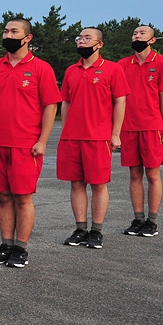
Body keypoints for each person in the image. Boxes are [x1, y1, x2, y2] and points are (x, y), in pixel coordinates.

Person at [0, 19, 61, 268]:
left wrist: (42, 140)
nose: (8, 35)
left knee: (22, 198)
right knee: (2, 197)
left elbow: (50, 106)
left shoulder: (41, 68)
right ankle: (6, 245)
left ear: (27, 38)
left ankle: (21, 248)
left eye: (14, 31)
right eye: (5, 31)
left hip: (26, 145)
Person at [58, 28, 129, 250]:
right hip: (73, 137)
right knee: (76, 183)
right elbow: (66, 102)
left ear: (99, 45)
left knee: (98, 185)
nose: (82, 41)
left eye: (87, 38)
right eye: (80, 38)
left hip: (99, 137)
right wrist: (65, 130)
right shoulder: (71, 70)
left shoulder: (112, 69)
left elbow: (120, 101)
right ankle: (80, 228)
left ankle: (96, 231)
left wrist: (115, 133)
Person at [119, 25, 163, 238]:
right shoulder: (123, 65)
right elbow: (118, 99)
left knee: (152, 174)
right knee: (134, 174)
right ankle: (138, 218)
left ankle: (152, 221)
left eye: (142, 34)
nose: (137, 36)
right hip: (128, 127)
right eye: (134, 33)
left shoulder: (162, 63)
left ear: (152, 40)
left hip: (152, 127)